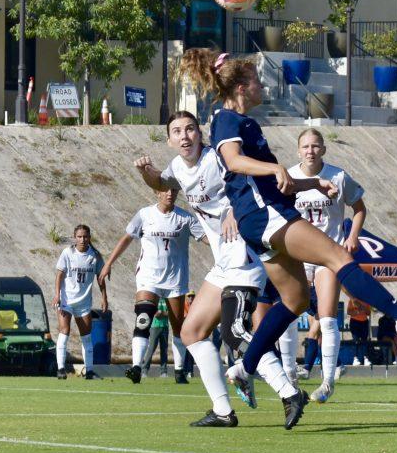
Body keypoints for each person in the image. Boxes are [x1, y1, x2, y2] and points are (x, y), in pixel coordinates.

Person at [180, 48, 397, 426]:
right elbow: (234, 161)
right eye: (256, 80)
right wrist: (275, 166)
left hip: (261, 220)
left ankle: (246, 366)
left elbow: (270, 180)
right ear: (241, 87)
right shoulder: (228, 119)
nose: (261, 86)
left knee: (293, 301)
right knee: (338, 258)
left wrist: (309, 183)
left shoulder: (241, 121)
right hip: (266, 217)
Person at [129, 111, 304, 427]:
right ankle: (223, 410)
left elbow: (250, 183)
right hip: (223, 263)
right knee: (191, 331)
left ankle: (289, 391)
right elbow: (160, 181)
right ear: (170, 140)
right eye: (177, 132)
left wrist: (237, 212)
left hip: (245, 254)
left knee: (234, 333)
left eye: (190, 130)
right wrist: (146, 172)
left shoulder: (217, 159)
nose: (185, 136)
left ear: (200, 134)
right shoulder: (178, 168)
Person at [288, 127, 368, 402]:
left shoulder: (338, 176)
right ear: (298, 151)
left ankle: (327, 381)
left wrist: (352, 236)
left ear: (323, 149)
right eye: (305, 147)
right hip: (297, 255)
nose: (310, 151)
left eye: (315, 146)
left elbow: (360, 208)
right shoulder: (289, 177)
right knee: (287, 311)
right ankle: (289, 374)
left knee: (327, 318)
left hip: (326, 254)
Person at [101, 187, 204, 388]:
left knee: (178, 327)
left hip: (175, 279)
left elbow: (205, 237)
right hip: (149, 277)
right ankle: (137, 367)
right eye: (165, 191)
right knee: (143, 318)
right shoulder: (144, 214)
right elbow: (127, 237)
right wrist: (108, 263)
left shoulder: (184, 218)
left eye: (173, 191)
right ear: (157, 193)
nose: (170, 194)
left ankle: (180, 370)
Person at [52, 224, 108, 380]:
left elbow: (100, 278)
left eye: (85, 236)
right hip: (67, 300)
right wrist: (57, 295)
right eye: (79, 236)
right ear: (74, 237)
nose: (82, 239)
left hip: (84, 303)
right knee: (64, 331)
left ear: (89, 238)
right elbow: (59, 275)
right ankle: (61, 369)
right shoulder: (67, 253)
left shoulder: (95, 256)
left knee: (86, 336)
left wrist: (104, 297)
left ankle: (89, 371)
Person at [142, 298, 171, 376]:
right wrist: (163, 313)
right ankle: (144, 370)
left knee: (164, 350)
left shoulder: (167, 300)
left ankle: (164, 372)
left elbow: (170, 313)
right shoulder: (155, 299)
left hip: (165, 327)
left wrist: (161, 312)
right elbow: (156, 315)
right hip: (154, 327)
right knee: (151, 349)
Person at [346, 297, 372, 367]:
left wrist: (364, 309)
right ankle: (355, 358)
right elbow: (348, 312)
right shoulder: (352, 300)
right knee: (356, 340)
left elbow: (368, 313)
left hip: (364, 322)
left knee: (364, 340)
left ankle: (366, 358)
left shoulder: (366, 300)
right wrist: (357, 312)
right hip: (354, 322)